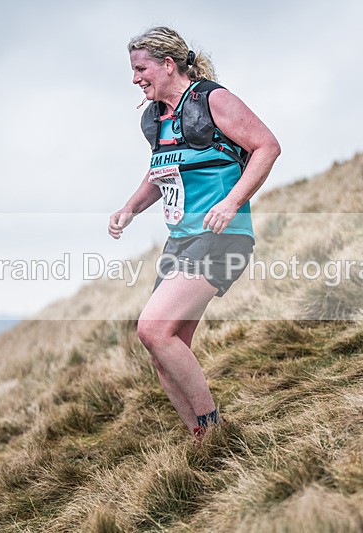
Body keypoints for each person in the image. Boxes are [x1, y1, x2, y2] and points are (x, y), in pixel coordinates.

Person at [108, 26, 280, 439]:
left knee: (151, 328)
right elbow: (161, 171)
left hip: (223, 236)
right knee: (164, 350)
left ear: (168, 65)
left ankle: (213, 428)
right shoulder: (154, 119)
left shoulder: (213, 99)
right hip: (182, 240)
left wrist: (231, 201)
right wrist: (130, 207)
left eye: (141, 68)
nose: (135, 79)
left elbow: (266, 146)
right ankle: (203, 441)